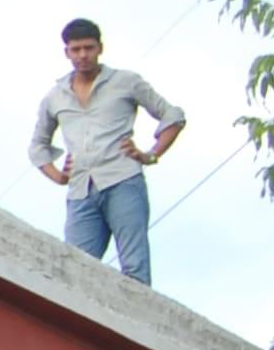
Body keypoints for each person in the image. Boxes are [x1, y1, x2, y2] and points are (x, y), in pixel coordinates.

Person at [28, 18, 185, 284]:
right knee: (74, 272)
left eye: (88, 48)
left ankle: (139, 322)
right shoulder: (55, 96)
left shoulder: (125, 82)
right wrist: (57, 175)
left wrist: (150, 154)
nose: (83, 55)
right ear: (66, 52)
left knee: (134, 267)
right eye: (76, 50)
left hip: (122, 179)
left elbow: (173, 116)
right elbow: (37, 145)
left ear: (100, 48)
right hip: (80, 189)